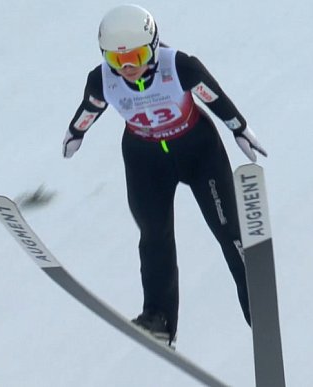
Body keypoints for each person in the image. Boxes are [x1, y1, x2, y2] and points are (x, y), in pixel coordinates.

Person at [62, 4, 267, 345]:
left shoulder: (180, 66)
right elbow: (91, 107)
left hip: (198, 152)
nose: (128, 67)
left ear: (154, 46)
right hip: (145, 160)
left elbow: (215, 98)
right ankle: (158, 319)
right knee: (154, 237)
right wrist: (75, 132)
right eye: (116, 60)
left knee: (228, 229)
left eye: (138, 55)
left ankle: (259, 312)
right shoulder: (101, 79)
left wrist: (240, 129)